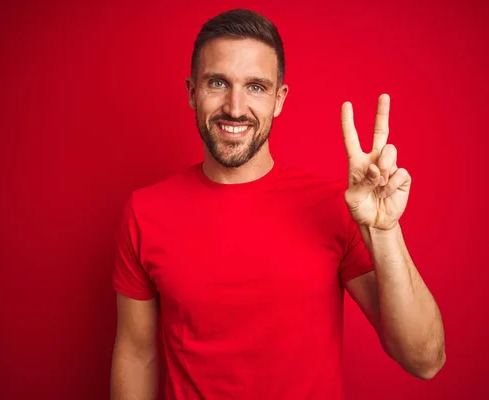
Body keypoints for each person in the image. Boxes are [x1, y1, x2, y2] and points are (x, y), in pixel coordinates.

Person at [110, 8, 445, 400]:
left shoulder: (336, 207)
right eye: (218, 82)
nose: (235, 108)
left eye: (256, 87)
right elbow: (137, 356)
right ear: (191, 91)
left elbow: (425, 360)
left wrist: (384, 231)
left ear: (279, 98)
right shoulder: (145, 211)